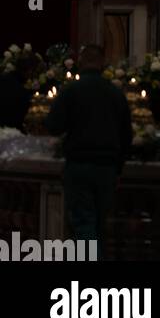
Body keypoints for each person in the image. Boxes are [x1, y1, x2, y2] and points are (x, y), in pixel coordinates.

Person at [46, 43, 132, 255]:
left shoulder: (71, 91)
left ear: (81, 63)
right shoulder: (115, 93)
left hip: (79, 165)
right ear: (103, 63)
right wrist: (118, 168)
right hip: (107, 168)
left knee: (83, 223)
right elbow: (126, 135)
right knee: (99, 224)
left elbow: (53, 125)